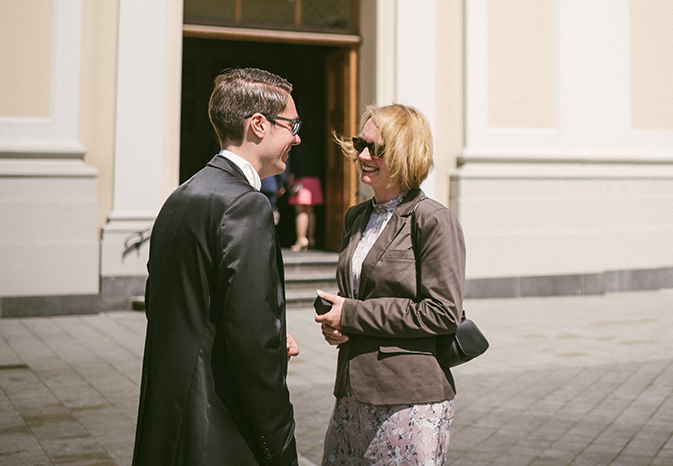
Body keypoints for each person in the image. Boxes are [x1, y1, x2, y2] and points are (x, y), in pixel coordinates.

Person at [132, 67, 302, 466]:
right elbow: (251, 341)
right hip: (219, 432)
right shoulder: (246, 204)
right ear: (259, 125)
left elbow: (188, 308)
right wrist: (278, 444)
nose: (296, 137)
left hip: (170, 422)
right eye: (292, 125)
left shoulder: (183, 194)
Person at [314, 104, 465, 466]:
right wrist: (338, 326)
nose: (362, 155)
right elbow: (356, 299)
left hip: (408, 400)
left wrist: (352, 314)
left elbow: (443, 314)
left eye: (376, 148)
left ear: (404, 153)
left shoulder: (432, 220)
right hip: (352, 394)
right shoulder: (356, 216)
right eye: (359, 144)